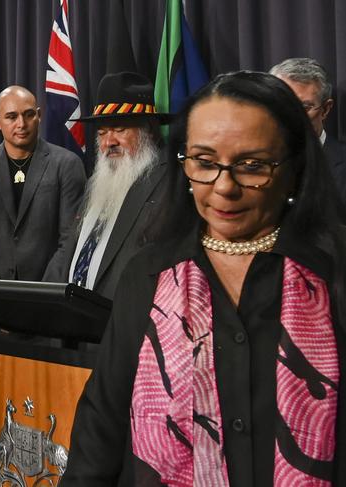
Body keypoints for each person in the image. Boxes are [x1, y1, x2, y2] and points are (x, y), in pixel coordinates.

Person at [61, 71, 346, 485]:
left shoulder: (333, 270)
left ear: (293, 167)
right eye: (205, 162)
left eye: (252, 165)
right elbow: (100, 431)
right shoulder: (147, 275)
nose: (224, 187)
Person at [43, 71, 170, 300]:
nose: (109, 142)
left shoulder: (169, 181)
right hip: (73, 322)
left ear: (148, 131)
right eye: (102, 133)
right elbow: (71, 248)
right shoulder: (97, 181)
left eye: (120, 130)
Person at [0, 85, 86, 280]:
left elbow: (70, 239)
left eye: (28, 115)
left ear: (39, 115)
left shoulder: (67, 164)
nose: (21, 124)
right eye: (11, 117)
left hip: (50, 296)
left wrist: (42, 293)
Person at [270, 57, 346, 202]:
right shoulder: (256, 160)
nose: (291, 114)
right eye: (283, 103)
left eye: (304, 107)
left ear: (325, 109)